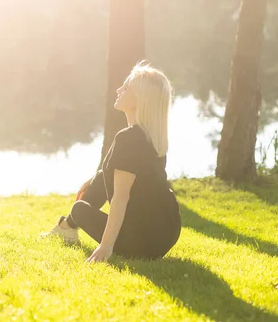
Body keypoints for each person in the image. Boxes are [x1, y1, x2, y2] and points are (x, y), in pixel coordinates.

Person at [41, 61, 181, 263]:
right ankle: (66, 228)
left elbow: (120, 198)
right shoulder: (154, 138)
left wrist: (106, 246)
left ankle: (67, 227)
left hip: (141, 243)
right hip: (165, 235)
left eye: (125, 88)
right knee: (99, 178)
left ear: (139, 98)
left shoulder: (128, 138)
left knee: (79, 208)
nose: (118, 90)